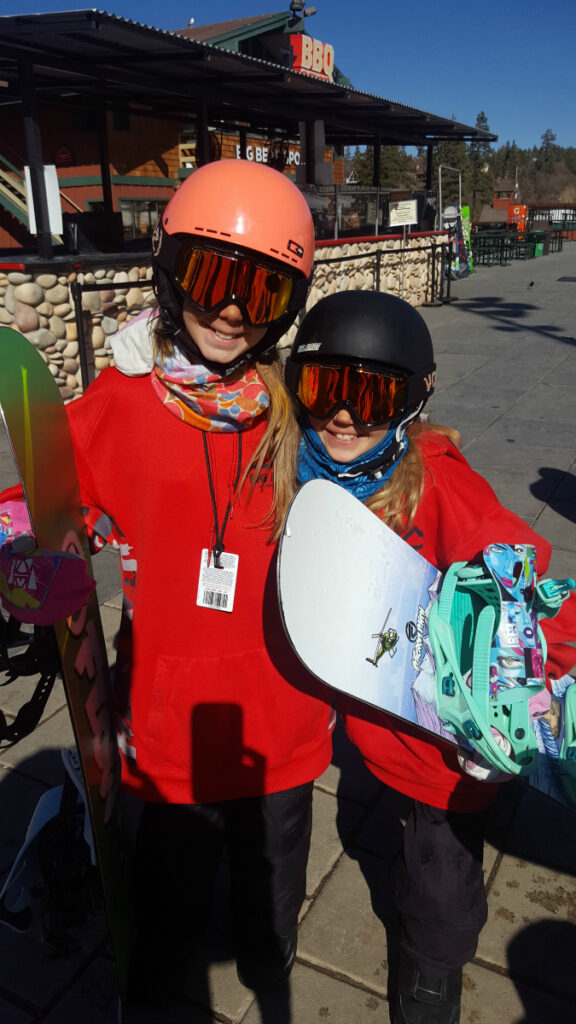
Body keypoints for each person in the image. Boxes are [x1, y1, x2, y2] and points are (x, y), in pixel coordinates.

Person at [60, 161, 334, 1002]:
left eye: (263, 295)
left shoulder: (300, 410)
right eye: (213, 279)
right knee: (169, 915)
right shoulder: (120, 403)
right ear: (170, 269)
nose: (230, 312)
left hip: (282, 719)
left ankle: (268, 963)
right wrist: (25, 563)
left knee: (270, 907)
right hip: (173, 729)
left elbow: (394, 474)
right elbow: (45, 497)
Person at [284, 290, 576, 1024]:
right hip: (362, 718)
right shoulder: (301, 462)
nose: (345, 415)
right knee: (412, 854)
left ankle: (435, 975)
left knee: (439, 879)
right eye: (326, 390)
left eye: (373, 394)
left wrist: (528, 687)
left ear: (414, 400)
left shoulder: (439, 484)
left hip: (439, 743)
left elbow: (524, 575)